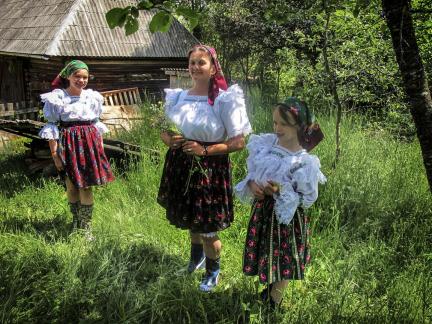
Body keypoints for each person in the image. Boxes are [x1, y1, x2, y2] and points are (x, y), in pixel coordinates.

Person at [157, 45, 252, 292]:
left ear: (213, 68)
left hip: (210, 167)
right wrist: (169, 139)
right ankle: (196, 259)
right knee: (192, 218)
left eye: (202, 63)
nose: (196, 67)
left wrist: (205, 150)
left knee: (208, 226)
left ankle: (213, 271)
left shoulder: (225, 99)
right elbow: (165, 129)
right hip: (181, 164)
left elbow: (238, 142)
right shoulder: (178, 97)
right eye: (192, 63)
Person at [235, 98, 326, 308]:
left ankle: (274, 301)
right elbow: (253, 172)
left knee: (283, 255)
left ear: (300, 126)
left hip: (286, 220)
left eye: (283, 124)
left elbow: (307, 198)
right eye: (275, 122)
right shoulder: (266, 145)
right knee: (266, 249)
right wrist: (251, 185)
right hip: (263, 211)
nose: (277, 128)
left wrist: (281, 190)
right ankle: (269, 289)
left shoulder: (304, 161)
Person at [38, 60, 114, 238]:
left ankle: (86, 227)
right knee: (71, 186)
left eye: (85, 77)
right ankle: (76, 221)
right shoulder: (58, 98)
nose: (81, 80)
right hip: (68, 146)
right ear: (68, 76)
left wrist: (100, 150)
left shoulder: (92, 97)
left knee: (86, 186)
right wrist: (55, 154)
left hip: (89, 145)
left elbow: (96, 125)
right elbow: (52, 126)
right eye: (77, 76)